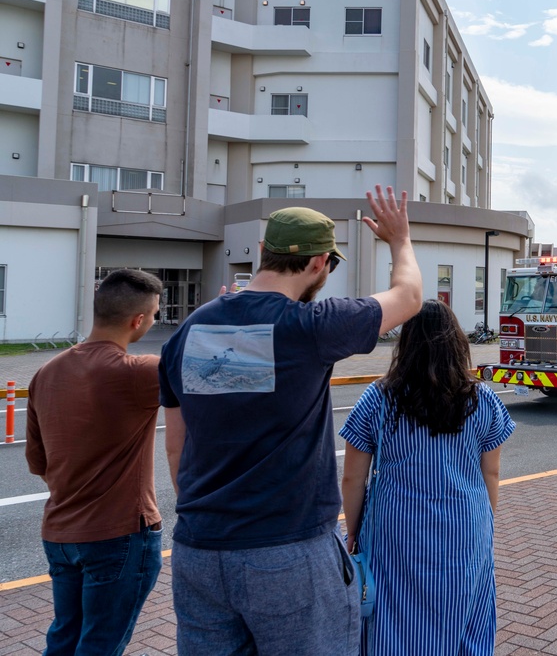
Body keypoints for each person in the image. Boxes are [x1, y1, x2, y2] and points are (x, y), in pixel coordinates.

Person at [158, 186, 422, 655]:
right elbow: (409, 296)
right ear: (320, 263)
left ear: (263, 252)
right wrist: (399, 241)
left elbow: (176, 447)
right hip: (288, 552)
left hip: (199, 553)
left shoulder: (189, 330)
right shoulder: (311, 326)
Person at [340, 299, 515, 655]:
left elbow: (352, 480)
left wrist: (354, 533)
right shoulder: (482, 399)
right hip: (466, 525)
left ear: (406, 344)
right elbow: (491, 473)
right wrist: (485, 524)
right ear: (457, 345)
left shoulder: (378, 398)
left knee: (393, 619)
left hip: (396, 531)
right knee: (464, 616)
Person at [25, 269, 164, 656]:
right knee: (101, 644)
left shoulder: (45, 373)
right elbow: (221, 369)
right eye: (154, 314)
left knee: (65, 637)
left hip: (59, 534)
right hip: (119, 535)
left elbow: (38, 462)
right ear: (139, 320)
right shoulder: (140, 373)